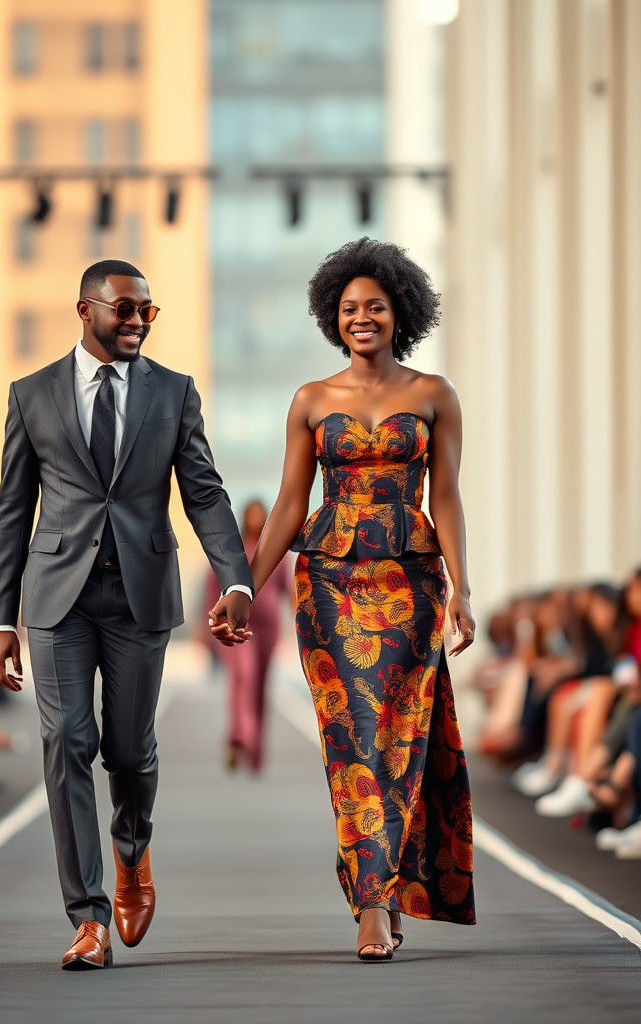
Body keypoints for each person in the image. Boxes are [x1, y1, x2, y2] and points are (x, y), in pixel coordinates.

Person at [210, 238, 477, 960]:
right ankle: (373, 902)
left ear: (402, 314)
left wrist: (462, 588)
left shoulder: (433, 395)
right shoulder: (311, 400)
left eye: (377, 307)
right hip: (329, 585)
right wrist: (243, 588)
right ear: (334, 316)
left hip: (412, 583)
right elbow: (292, 502)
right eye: (350, 307)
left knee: (399, 736)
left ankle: (380, 896)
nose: (363, 317)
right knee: (352, 741)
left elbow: (445, 497)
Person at [0, 259, 253, 971]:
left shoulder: (174, 392)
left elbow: (204, 491)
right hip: (56, 601)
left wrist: (236, 580)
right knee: (66, 740)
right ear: (87, 309)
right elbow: (12, 510)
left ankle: (131, 847)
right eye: (125, 310)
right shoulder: (32, 393)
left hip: (139, 595)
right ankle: (88, 918)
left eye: (147, 313)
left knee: (128, 752)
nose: (137, 322)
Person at [206, 500, 290, 772]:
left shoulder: (275, 553)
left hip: (270, 629)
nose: (255, 520)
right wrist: (209, 623)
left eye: (259, 515)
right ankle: (243, 736)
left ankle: (254, 749)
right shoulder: (233, 552)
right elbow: (212, 585)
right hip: (237, 625)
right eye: (251, 515)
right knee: (244, 676)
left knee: (260, 686)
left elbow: (290, 591)